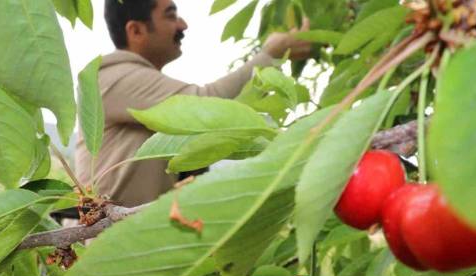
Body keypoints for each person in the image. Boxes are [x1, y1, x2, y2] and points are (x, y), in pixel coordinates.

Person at [75, 0, 312, 207]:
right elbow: (205, 106)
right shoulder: (114, 77)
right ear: (136, 31)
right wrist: (269, 55)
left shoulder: (125, 81)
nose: (183, 25)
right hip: (118, 246)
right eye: (170, 15)